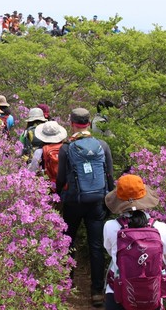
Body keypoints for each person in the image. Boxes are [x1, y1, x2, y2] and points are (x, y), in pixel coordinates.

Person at [56, 107, 114, 307]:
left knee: (68, 241)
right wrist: (109, 201)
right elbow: (110, 177)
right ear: (89, 123)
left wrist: (58, 197)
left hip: (73, 202)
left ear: (71, 123)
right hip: (97, 201)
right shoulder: (102, 145)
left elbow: (61, 178)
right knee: (96, 246)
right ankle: (97, 291)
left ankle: (67, 282)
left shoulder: (66, 147)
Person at [103, 174, 166, 310]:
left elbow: (112, 254)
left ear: (118, 199)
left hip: (118, 294)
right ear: (144, 197)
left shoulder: (109, 226)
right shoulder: (161, 228)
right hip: (151, 296)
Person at [27, 121, 67, 194]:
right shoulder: (67, 148)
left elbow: (32, 171)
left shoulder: (39, 151)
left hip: (48, 188)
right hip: (66, 188)